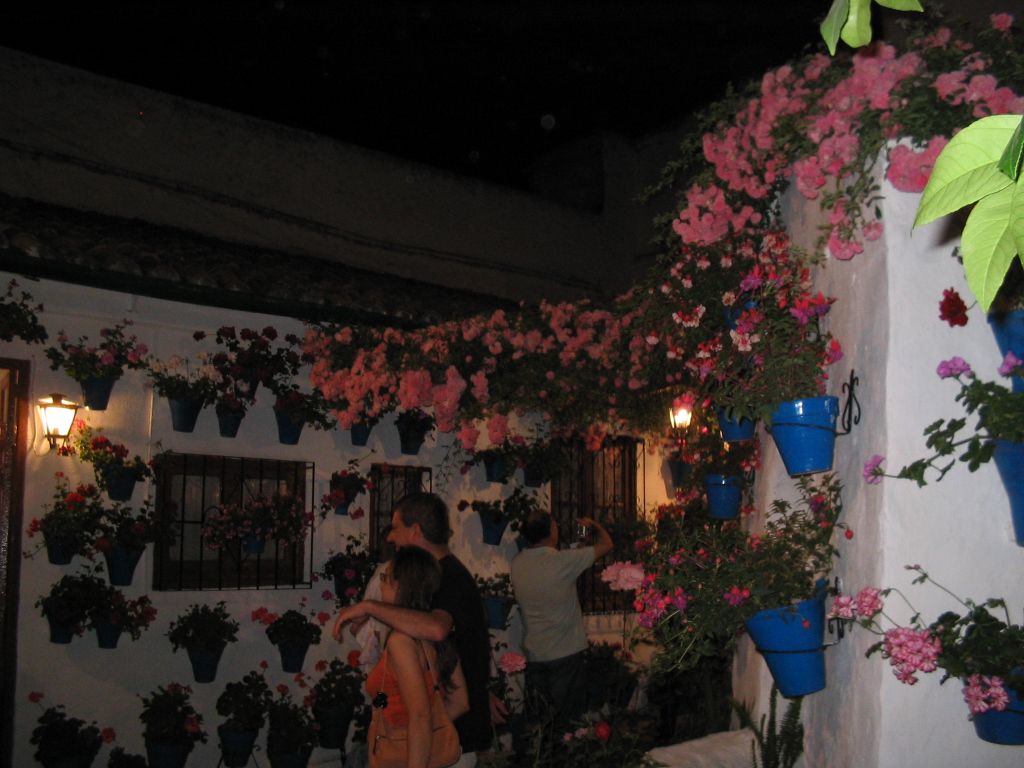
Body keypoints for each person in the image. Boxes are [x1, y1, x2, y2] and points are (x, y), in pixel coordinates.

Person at [335, 493, 492, 766]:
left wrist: (370, 607)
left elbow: (437, 630)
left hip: (441, 748)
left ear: (415, 531)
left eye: (395, 527)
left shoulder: (449, 579)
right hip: (437, 743)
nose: (389, 537)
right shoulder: (427, 601)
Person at [366, 545, 468, 767]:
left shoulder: (401, 641)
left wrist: (410, 737)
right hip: (430, 754)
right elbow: (460, 702)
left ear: (400, 585)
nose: (381, 584)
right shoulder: (433, 635)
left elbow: (420, 716)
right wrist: (432, 731)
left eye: (385, 577)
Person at [510, 512, 612, 724]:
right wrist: (593, 525)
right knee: (569, 723)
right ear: (551, 531)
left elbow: (558, 566)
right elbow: (606, 544)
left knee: (541, 723)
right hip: (565, 655)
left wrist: (579, 545)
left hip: (535, 656)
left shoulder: (518, 563)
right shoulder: (563, 561)